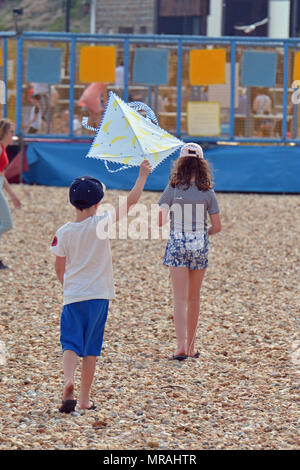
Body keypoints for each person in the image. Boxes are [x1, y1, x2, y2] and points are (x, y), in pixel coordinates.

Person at [50, 159, 152, 413]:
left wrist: (67, 285)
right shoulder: (101, 223)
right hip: (98, 296)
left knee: (70, 343)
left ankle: (68, 381)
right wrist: (142, 176)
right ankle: (84, 399)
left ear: (72, 202)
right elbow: (130, 202)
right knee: (91, 348)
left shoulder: (63, 232)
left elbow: (59, 267)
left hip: (73, 296)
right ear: (97, 204)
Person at [157, 143, 221, 361]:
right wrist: (205, 234)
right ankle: (192, 347)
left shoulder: (173, 187)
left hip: (178, 240)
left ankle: (181, 346)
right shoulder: (207, 191)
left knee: (179, 298)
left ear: (181, 163)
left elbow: (159, 220)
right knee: (194, 298)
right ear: (202, 165)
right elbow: (217, 225)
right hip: (199, 241)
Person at [0, 119, 22, 270]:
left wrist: (13, 196)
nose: (13, 134)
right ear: (4, 133)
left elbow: (2, 176)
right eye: (11, 131)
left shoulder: (3, 148)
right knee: (7, 224)